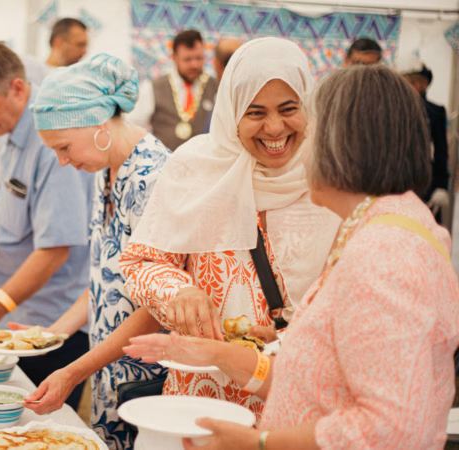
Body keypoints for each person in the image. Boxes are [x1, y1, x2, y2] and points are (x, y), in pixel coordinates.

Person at [124, 63, 459, 450]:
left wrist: (261, 443)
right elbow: (325, 382)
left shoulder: (386, 252)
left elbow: (392, 428)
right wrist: (216, 352)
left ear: (343, 144)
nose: (294, 146)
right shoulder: (380, 227)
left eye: (307, 129)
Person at [119, 37, 341, 419]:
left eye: (289, 109)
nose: (275, 128)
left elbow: (345, 303)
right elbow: (140, 264)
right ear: (230, 111)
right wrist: (180, 289)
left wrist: (287, 337)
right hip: (202, 399)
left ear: (308, 106)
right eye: (255, 112)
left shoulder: (333, 179)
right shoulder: (197, 169)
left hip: (294, 403)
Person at [8, 54, 170, 448]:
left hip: (145, 374)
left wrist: (73, 371)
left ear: (97, 122)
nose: (63, 162)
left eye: (64, 147)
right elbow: (107, 277)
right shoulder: (107, 170)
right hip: (109, 366)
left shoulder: (153, 177)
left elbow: (158, 306)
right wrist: (55, 332)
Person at [0, 41, 91, 409]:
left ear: (16, 88)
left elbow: (55, 250)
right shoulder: (8, 128)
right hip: (14, 313)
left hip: (48, 327)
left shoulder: (51, 139)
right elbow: (0, 189)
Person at [128, 29, 218, 151]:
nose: (194, 65)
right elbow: (134, 128)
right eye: (187, 59)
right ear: (174, 58)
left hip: (204, 166)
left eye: (199, 58)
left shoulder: (216, 86)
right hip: (164, 166)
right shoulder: (153, 87)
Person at [401, 59, 451, 223]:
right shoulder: (394, 108)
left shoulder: (435, 111)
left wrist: (441, 187)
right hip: (397, 182)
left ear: (422, 84)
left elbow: (441, 151)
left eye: (412, 81)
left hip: (426, 183)